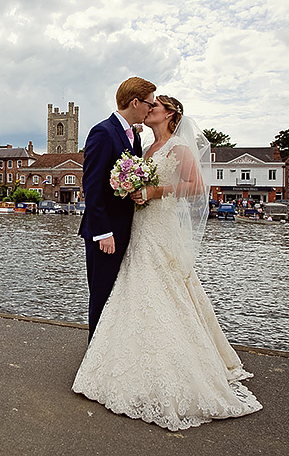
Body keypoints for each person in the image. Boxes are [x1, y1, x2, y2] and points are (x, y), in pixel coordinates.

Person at [73, 94, 262, 431]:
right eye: (148, 104)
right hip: (139, 227)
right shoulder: (143, 148)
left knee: (164, 288)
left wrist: (152, 192)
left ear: (170, 114)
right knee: (133, 290)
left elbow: (196, 186)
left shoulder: (178, 147)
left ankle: (173, 359)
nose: (150, 109)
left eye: (155, 106)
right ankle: (122, 355)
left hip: (159, 226)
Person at [79, 77, 156, 341]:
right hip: (106, 233)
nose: (151, 109)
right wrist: (103, 232)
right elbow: (91, 186)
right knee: (102, 293)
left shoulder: (132, 136)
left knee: (118, 294)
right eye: (149, 104)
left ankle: (111, 350)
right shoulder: (102, 132)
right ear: (135, 102)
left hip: (125, 229)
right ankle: (94, 357)